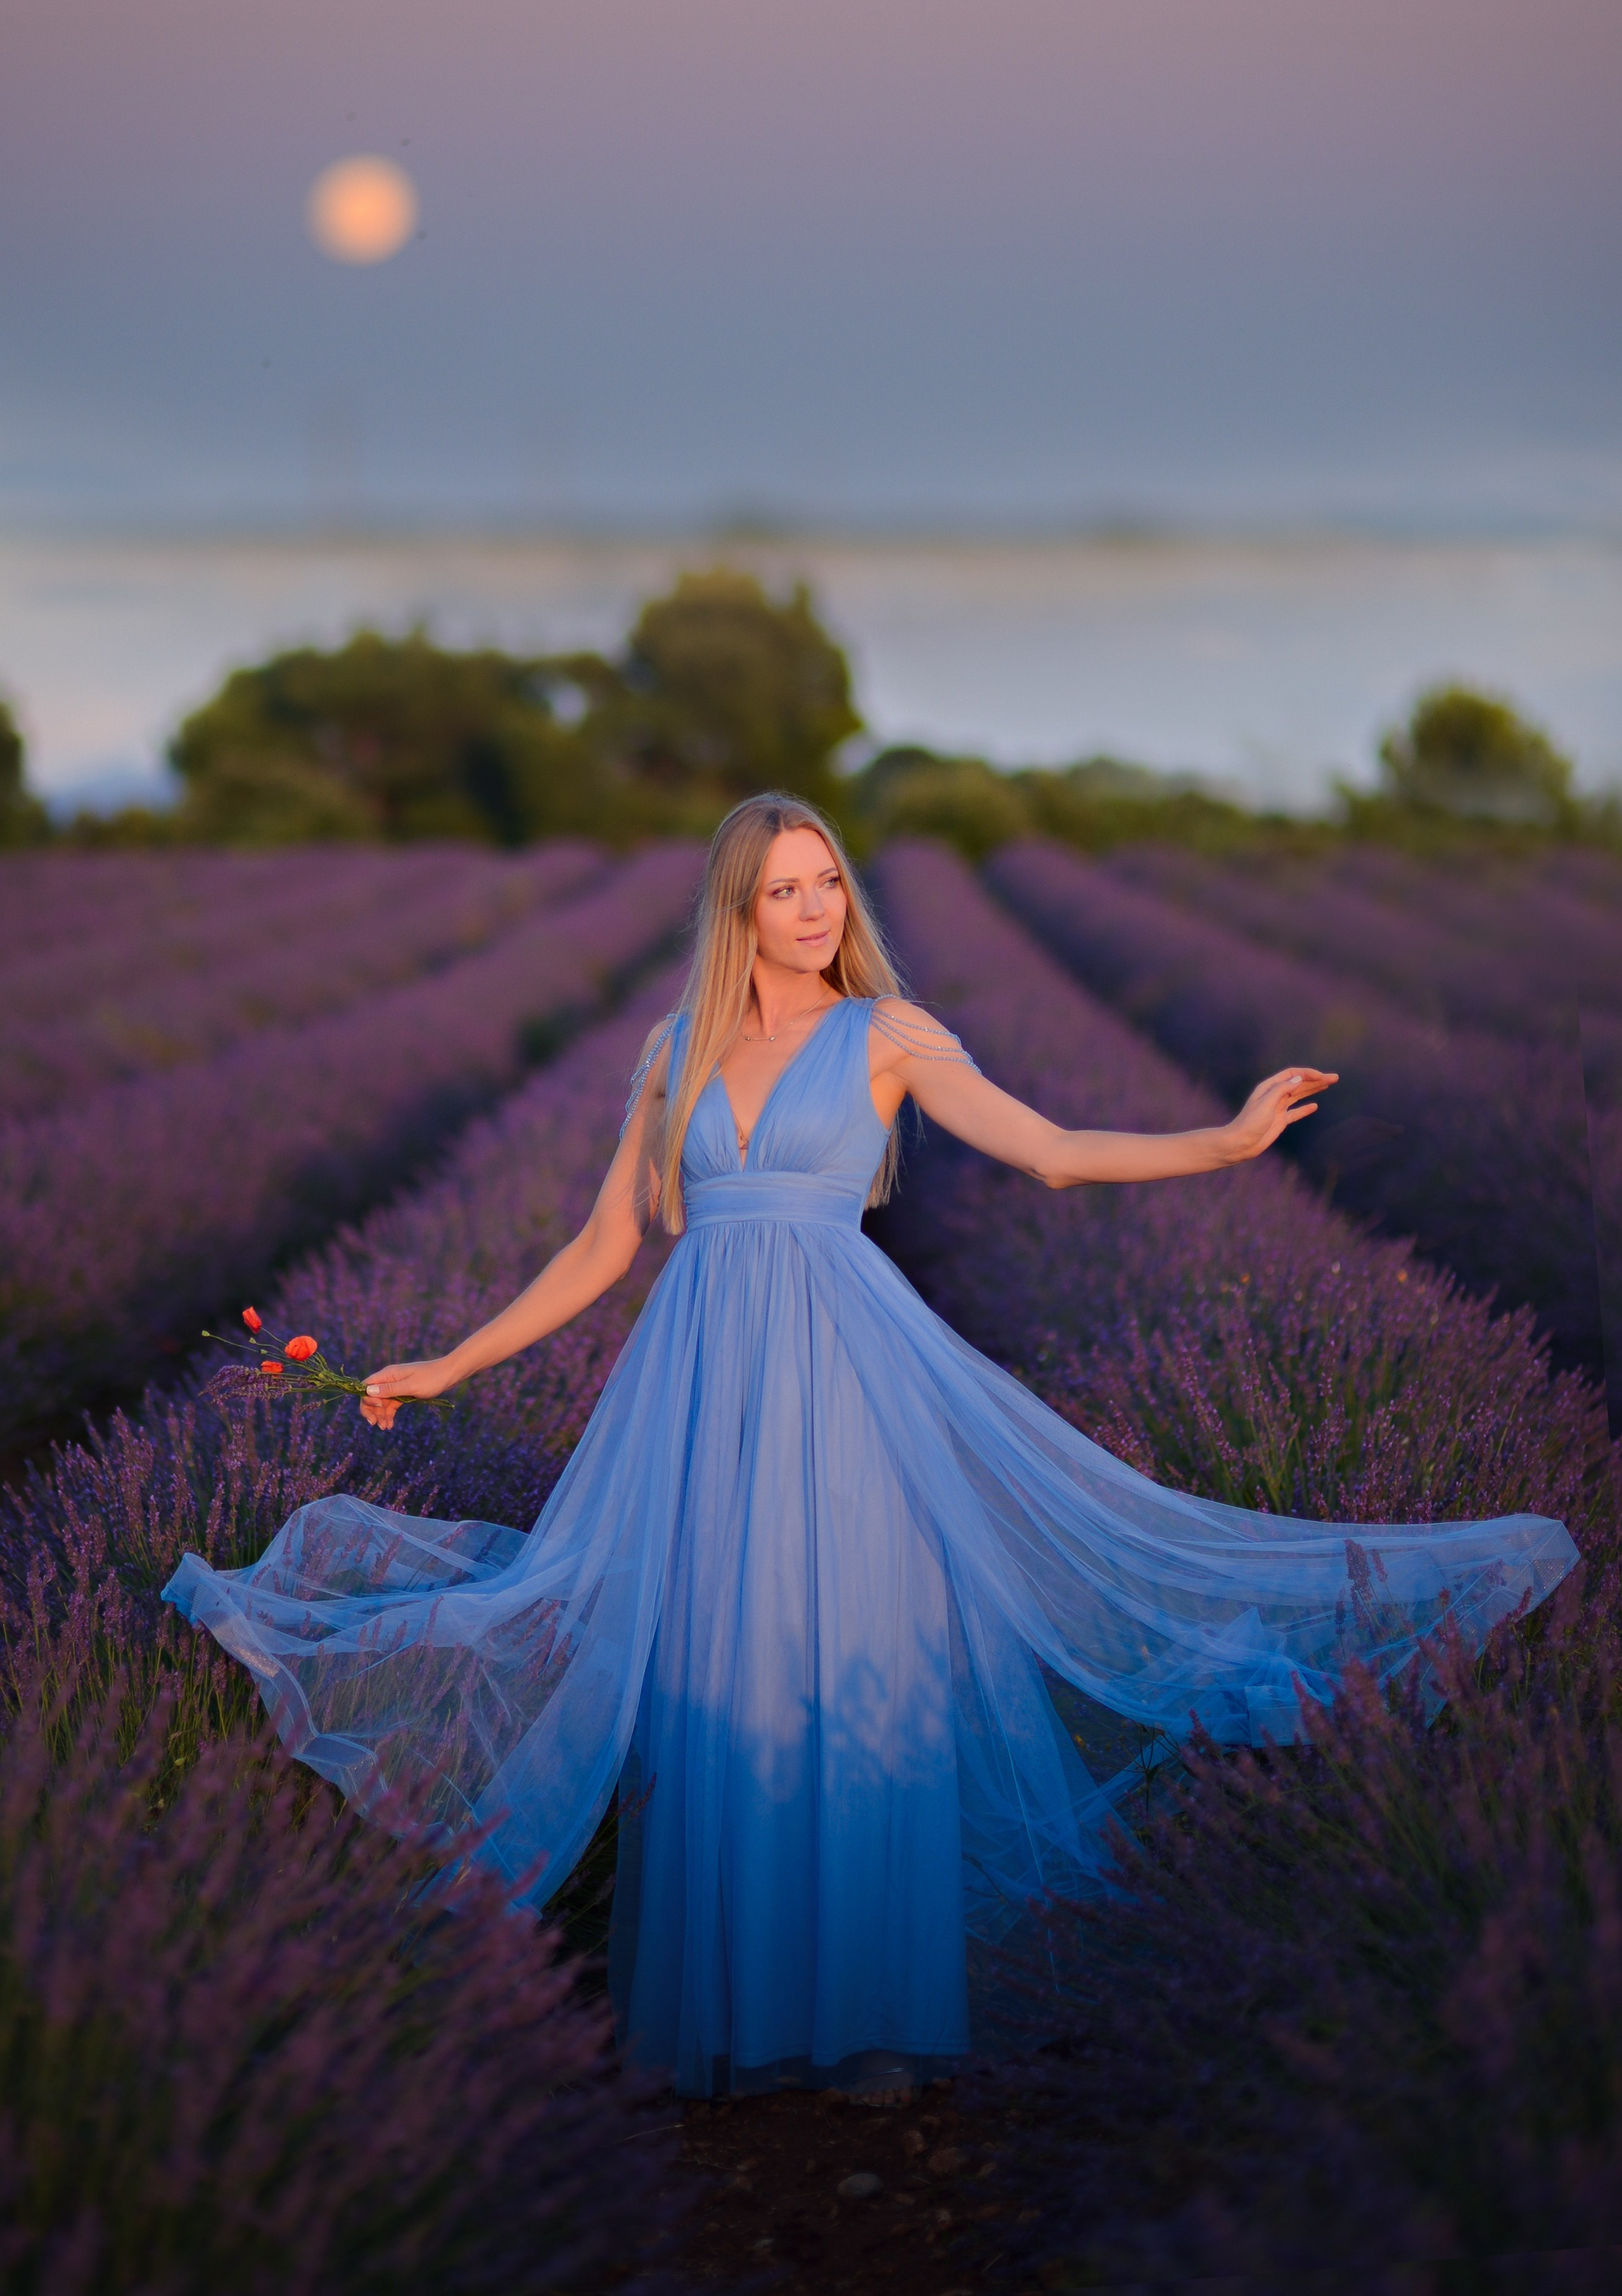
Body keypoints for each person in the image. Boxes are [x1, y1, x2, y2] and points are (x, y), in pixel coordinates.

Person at [164, 793, 1578, 2106]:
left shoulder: (890, 1033)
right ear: (735, 910)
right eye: (784, 890)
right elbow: (607, 1242)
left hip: (847, 1380)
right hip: (703, 1389)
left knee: (849, 1666)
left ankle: (870, 2023)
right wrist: (452, 1362)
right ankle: (732, 2018)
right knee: (723, 1672)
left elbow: (1053, 1152)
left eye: (827, 882)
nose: (815, 908)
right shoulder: (674, 1052)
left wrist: (1221, 1143)